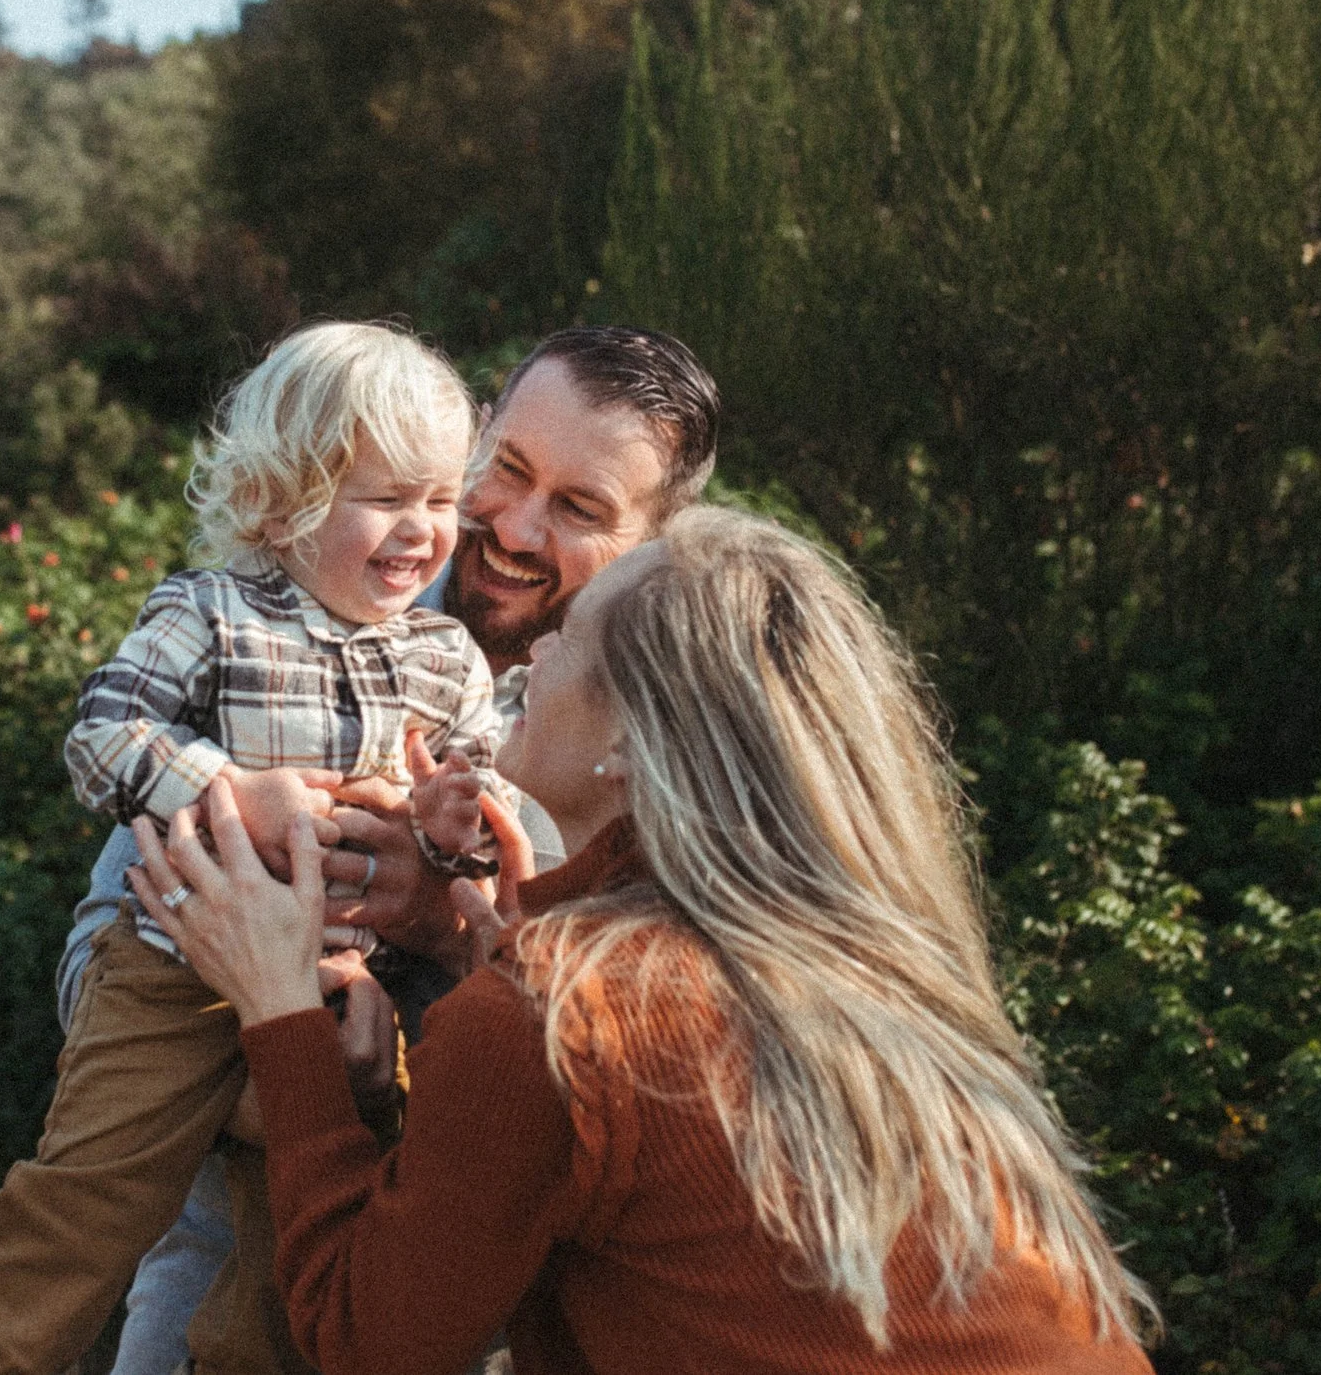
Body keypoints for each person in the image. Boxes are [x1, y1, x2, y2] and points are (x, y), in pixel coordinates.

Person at [130, 508, 1160, 1375]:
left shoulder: (560, 1007)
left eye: (572, 635)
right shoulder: (851, 956)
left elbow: (366, 1337)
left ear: (628, 743)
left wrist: (275, 1007)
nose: (536, 649)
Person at [54, 326, 723, 1375]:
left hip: (484, 1294)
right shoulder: (292, 632)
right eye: (501, 471)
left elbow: (656, 1061)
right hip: (231, 1246)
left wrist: (444, 927)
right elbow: (110, 934)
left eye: (579, 507)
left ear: (648, 542)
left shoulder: (643, 738)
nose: (510, 526)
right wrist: (261, 1056)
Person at [0, 322, 503, 1375]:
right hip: (174, 969)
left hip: (334, 984)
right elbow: (101, 737)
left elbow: (475, 800)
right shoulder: (210, 612)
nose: (423, 529)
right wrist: (228, 788)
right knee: (89, 1192)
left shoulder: (445, 658)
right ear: (276, 505)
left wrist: (445, 826)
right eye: (384, 498)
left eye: (439, 498)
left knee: (300, 1231)